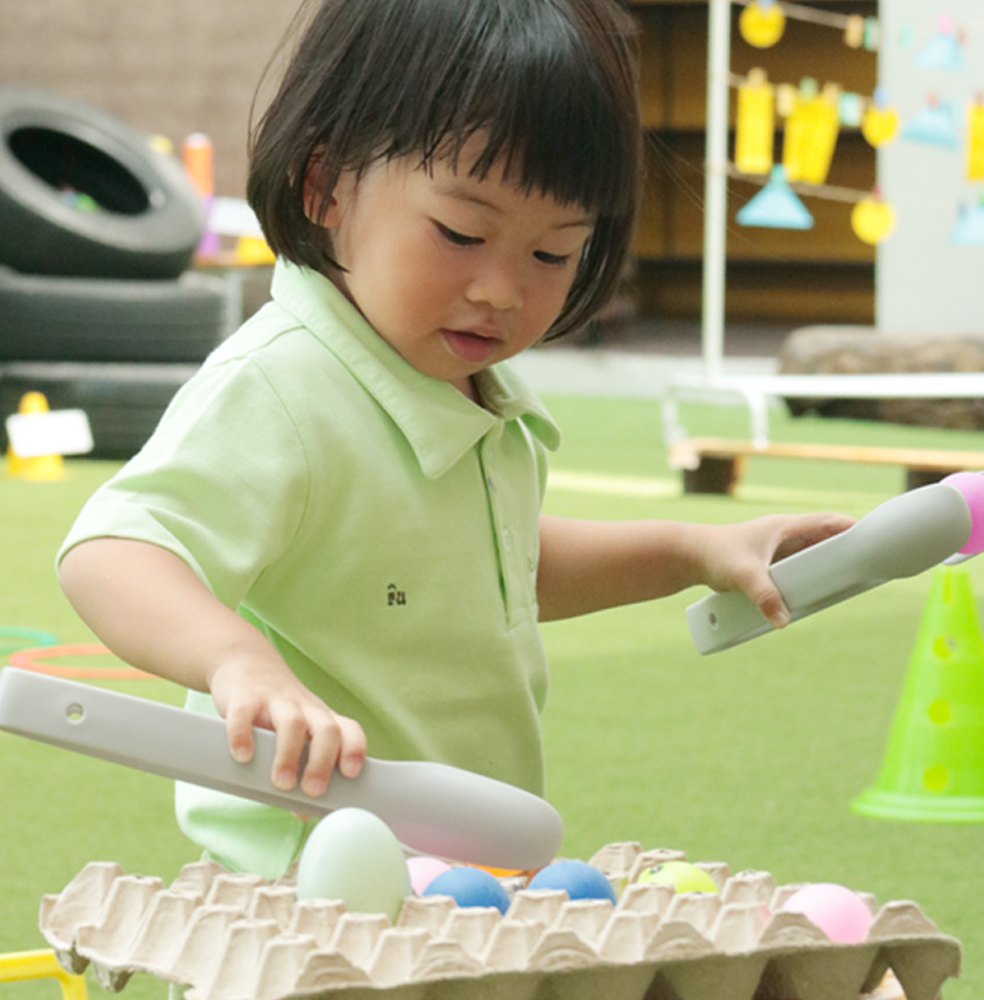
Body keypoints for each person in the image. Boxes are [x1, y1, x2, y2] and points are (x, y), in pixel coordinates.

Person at [57, 0, 853, 877]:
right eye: (462, 233)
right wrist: (239, 663)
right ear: (325, 187)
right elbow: (117, 547)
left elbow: (492, 568)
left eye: (554, 254)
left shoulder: (459, 385)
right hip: (315, 882)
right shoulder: (286, 385)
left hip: (460, 870)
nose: (504, 290)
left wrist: (695, 547)